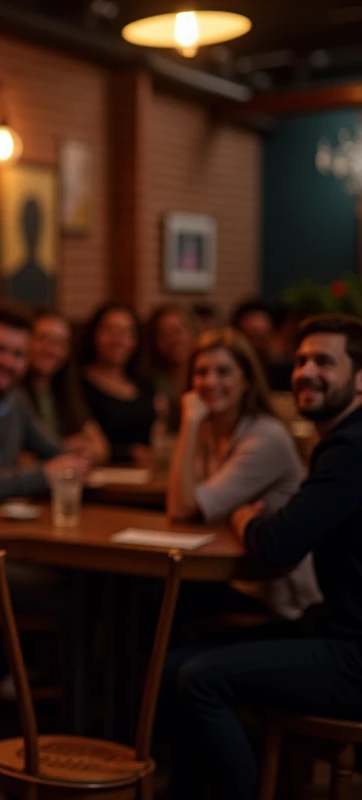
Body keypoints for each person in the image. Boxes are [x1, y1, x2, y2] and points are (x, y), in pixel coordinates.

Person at [170, 314, 362, 800]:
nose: (306, 372)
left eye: (324, 361)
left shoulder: (351, 448)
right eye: (300, 361)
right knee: (177, 663)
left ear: (360, 379)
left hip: (353, 653)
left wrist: (243, 521)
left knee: (199, 680)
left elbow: (278, 543)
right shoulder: (340, 442)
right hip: (332, 626)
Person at [165, 329, 320, 620]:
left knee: (159, 604)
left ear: (246, 380)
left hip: (281, 601)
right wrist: (195, 428)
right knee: (145, 597)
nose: (210, 382)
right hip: (240, 583)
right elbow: (182, 503)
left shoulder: (265, 436)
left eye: (223, 372)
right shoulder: (212, 432)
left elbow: (181, 507)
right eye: (201, 372)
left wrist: (188, 423)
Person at [0, 305, 89, 502]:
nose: (8, 362)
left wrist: (77, 460)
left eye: (18, 354)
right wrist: (41, 476)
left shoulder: (16, 400)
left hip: (2, 522)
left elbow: (55, 452)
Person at [25, 310, 109, 465]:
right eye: (43, 339)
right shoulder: (12, 395)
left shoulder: (66, 390)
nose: (51, 350)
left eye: (60, 343)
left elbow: (101, 448)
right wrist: (65, 447)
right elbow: (22, 460)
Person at [79, 302, 157, 466]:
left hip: (146, 478)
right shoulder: (77, 384)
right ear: (94, 334)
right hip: (98, 477)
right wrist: (125, 454)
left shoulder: (144, 385)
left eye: (127, 332)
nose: (118, 339)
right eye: (109, 330)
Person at [142, 304, 195, 433]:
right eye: (164, 335)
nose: (173, 340)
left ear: (192, 332)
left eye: (177, 331)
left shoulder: (210, 375)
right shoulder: (149, 381)